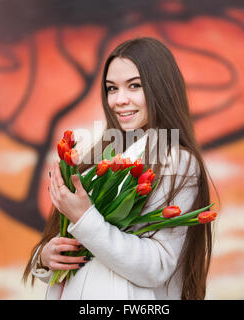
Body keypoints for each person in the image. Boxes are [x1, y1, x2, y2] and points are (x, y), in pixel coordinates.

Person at [22, 37, 215, 300]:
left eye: (134, 86)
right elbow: (66, 245)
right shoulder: (101, 154)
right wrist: (45, 256)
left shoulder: (176, 160)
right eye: (112, 89)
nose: (119, 100)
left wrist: (86, 218)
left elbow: (157, 266)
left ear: (162, 89)